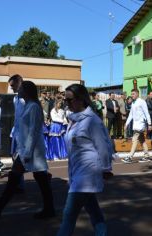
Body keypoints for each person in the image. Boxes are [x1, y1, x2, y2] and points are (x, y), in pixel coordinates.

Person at [0, 81, 55, 219]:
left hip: (32, 151)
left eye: (20, 88)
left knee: (30, 180)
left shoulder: (33, 107)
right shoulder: (27, 105)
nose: (18, 90)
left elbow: (33, 131)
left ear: (26, 91)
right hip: (25, 150)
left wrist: (27, 152)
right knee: (24, 180)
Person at [57, 84, 113, 236]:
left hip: (88, 173)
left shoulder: (92, 121)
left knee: (68, 215)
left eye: (70, 100)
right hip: (77, 172)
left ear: (81, 99)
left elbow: (103, 146)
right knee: (94, 212)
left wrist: (106, 169)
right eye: (65, 100)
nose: (67, 104)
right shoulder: (74, 120)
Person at [122, 89, 152, 164]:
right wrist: (126, 123)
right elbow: (130, 115)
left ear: (137, 94)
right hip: (136, 125)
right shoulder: (133, 103)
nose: (132, 95)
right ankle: (147, 156)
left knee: (134, 139)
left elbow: (146, 113)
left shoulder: (142, 101)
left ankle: (130, 157)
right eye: (131, 94)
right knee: (142, 140)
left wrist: (149, 124)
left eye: (133, 94)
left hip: (140, 124)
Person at [8, 74, 26, 192]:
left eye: (12, 85)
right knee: (15, 159)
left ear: (19, 83)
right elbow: (17, 117)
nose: (11, 88)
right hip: (16, 133)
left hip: (26, 136)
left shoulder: (26, 99)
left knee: (38, 168)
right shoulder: (15, 99)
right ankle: (19, 185)